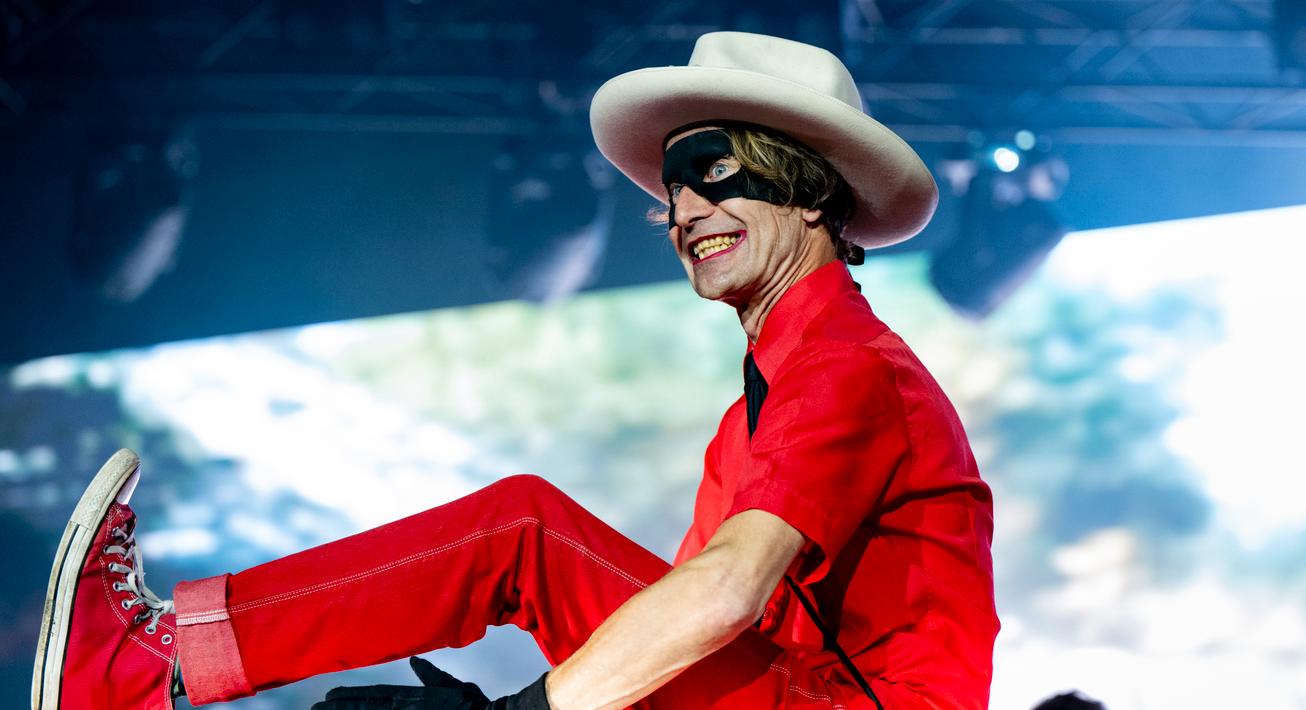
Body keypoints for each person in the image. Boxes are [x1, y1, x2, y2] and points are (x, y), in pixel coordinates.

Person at [32, 32, 998, 710]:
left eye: (716, 175)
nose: (683, 214)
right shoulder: (766, 399)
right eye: (672, 192)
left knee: (524, 532)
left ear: (812, 194)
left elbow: (723, 595)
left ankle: (149, 663)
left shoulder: (846, 367)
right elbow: (681, 635)